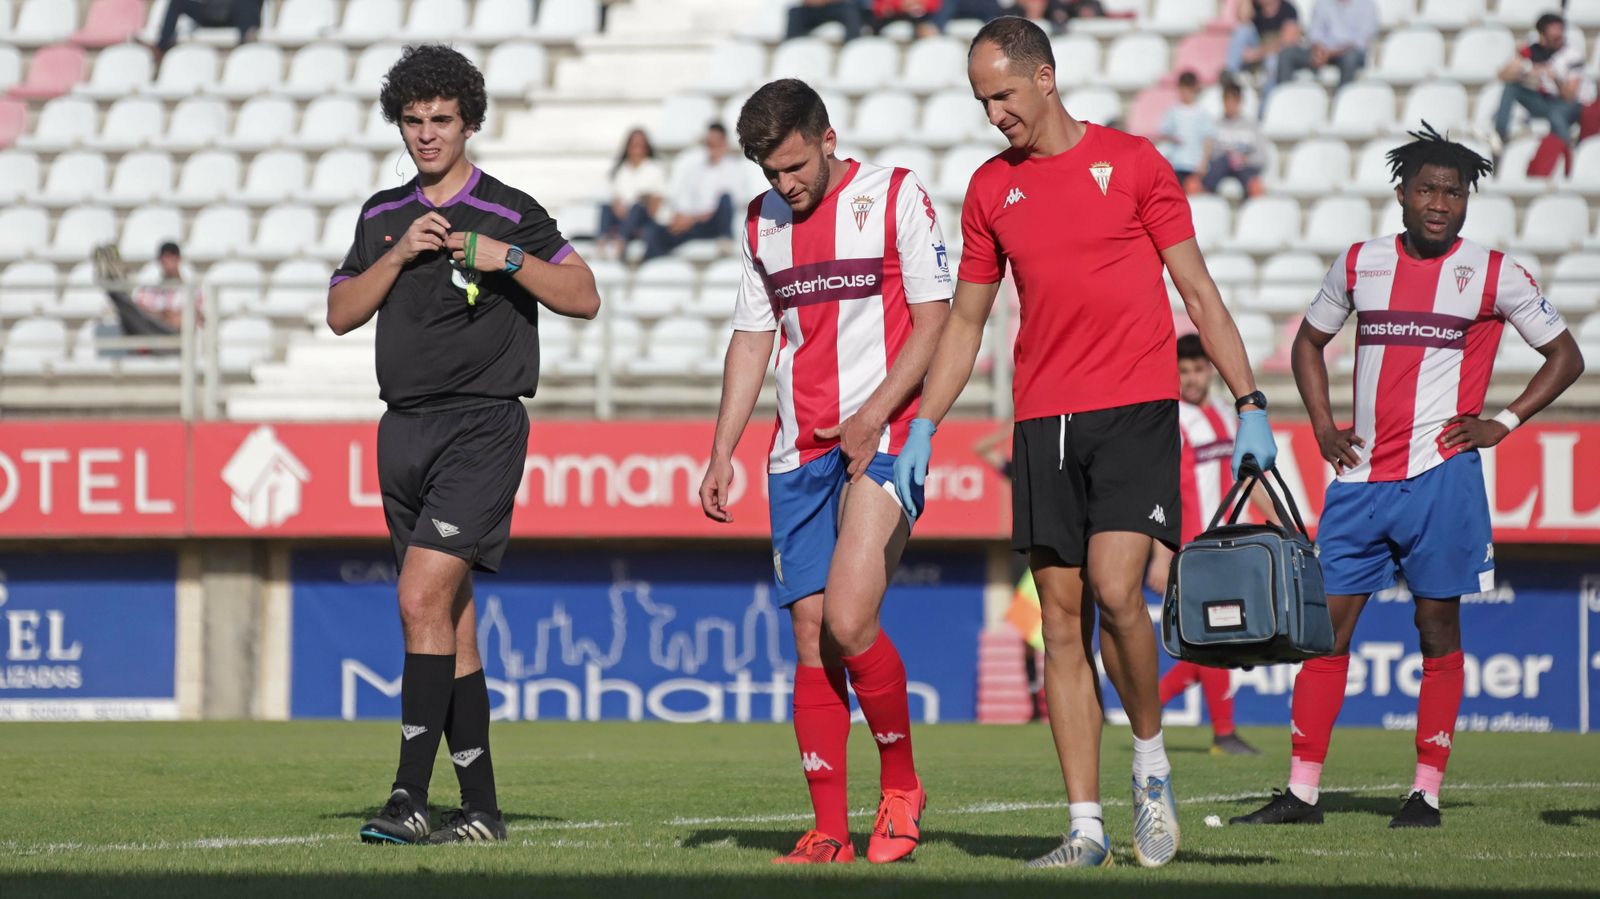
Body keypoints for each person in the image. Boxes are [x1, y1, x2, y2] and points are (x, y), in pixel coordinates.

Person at [896, 16, 1277, 869]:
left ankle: (1149, 765)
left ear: (1046, 77)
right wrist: (924, 422)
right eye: (981, 100)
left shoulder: (1136, 163)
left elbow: (1200, 292)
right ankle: (1086, 828)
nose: (994, 113)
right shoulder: (991, 190)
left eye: (1002, 94)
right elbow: (965, 321)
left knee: (1116, 589)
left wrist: (1251, 401)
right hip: (1044, 421)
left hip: (1136, 408)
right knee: (1058, 625)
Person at [1232, 125, 1584, 830]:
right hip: (1360, 482)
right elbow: (1309, 341)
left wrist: (1504, 423)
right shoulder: (1360, 263)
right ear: (1401, 193)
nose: (1439, 202)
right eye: (1427, 188)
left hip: (1441, 478)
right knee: (1325, 631)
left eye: (1453, 193)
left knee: (1436, 625)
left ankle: (1424, 792)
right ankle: (1302, 792)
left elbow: (1565, 356)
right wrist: (1326, 428)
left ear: (1465, 202)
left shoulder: (1493, 272)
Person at [327, 45, 601, 846]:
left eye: (441, 120)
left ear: (470, 122)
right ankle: (480, 809)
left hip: (481, 426)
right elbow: (342, 312)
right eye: (412, 121)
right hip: (402, 428)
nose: (426, 135)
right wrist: (400, 251)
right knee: (450, 621)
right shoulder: (383, 216)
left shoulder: (511, 210)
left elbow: (584, 295)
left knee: (419, 598)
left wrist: (505, 258)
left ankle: (408, 795)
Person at [698, 77, 952, 865]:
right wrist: (721, 450)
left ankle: (902, 787)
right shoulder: (761, 223)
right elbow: (752, 336)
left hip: (885, 435)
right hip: (797, 452)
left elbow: (936, 316)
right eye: (772, 173)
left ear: (828, 137)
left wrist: (877, 411)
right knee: (811, 638)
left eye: (796, 166)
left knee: (847, 617)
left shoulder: (898, 195)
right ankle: (829, 830)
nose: (786, 185)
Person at [1149, 334, 1276, 757]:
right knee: (1219, 638)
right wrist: (1159, 551)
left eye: (1198, 369)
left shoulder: (1226, 414)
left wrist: (1276, 516)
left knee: (1220, 639)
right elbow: (1158, 488)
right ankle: (1222, 734)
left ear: (1210, 369)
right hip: (1194, 547)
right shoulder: (1172, 420)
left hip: (1232, 544)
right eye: (1182, 371)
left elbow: (1246, 476)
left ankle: (1148, 707)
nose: (1190, 378)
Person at [1493, 13, 1593, 154]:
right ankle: (1500, 135)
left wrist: (1555, 78)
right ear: (1542, 35)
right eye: (1554, 34)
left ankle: (1568, 152)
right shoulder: (1532, 51)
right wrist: (1523, 67)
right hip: (1546, 101)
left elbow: (1570, 96)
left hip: (1573, 105)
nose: (1559, 37)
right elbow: (1502, 75)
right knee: (1511, 88)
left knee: (1556, 114)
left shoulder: (1572, 54)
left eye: (1560, 32)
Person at [643, 123, 745, 260]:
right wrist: (682, 218)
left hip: (713, 223)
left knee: (725, 199)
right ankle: (661, 270)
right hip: (694, 224)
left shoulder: (733, 168)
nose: (712, 148)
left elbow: (733, 201)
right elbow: (684, 199)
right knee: (653, 233)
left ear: (724, 144)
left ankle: (725, 238)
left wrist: (694, 218)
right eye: (709, 144)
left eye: (716, 143)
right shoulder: (696, 169)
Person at [1276, 0, 1379, 90]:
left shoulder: (1367, 4)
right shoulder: (1322, 2)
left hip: (1348, 53)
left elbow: (1360, 41)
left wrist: (1330, 53)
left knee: (1350, 58)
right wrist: (1318, 49)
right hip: (1322, 51)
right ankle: (1284, 98)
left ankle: (1341, 102)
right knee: (1287, 54)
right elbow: (1314, 34)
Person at [599, 128, 666, 260]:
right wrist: (618, 207)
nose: (637, 149)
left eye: (640, 145)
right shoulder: (620, 170)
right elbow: (615, 197)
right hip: (623, 217)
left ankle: (620, 243)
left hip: (644, 219)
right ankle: (601, 243)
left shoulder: (655, 169)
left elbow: (657, 201)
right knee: (605, 208)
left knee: (637, 207)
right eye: (634, 144)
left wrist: (640, 204)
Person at [1200, 79, 1267, 197]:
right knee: (1222, 162)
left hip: (1245, 167)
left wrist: (1245, 159)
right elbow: (1210, 154)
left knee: (1255, 185)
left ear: (1239, 102)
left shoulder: (1251, 126)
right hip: (1221, 166)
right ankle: (1205, 196)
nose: (1229, 105)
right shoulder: (1215, 125)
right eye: (1227, 100)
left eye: (1233, 101)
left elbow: (1261, 157)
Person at [1225, 0, 1301, 86]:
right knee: (1243, 30)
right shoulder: (1255, 8)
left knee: (1272, 60)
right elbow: (1243, 18)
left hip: (1273, 57)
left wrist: (1256, 54)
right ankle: (1229, 77)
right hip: (1256, 53)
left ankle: (1269, 96)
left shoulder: (1288, 10)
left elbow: (1288, 42)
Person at [154, 0, 263, 59]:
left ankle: (248, 43)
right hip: (211, 12)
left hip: (235, 15)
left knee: (245, 3)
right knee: (177, 2)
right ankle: (161, 47)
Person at [1160, 71, 1212, 191]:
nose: (1184, 94)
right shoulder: (1173, 111)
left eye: (1187, 90)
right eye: (1182, 90)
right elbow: (1164, 133)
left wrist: (1203, 163)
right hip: (1177, 163)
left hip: (1195, 165)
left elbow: (1208, 140)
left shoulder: (1202, 113)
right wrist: (1172, 138)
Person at [786, 0, 863, 40]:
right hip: (812, 9)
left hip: (834, 6)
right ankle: (792, 46)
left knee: (850, 10)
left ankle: (852, 45)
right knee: (794, 12)